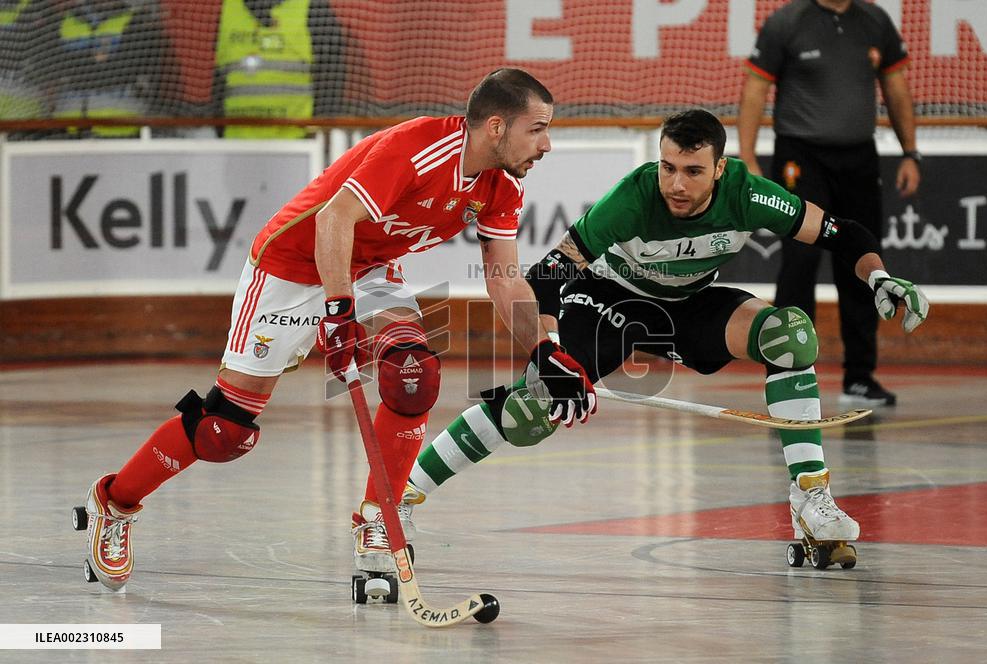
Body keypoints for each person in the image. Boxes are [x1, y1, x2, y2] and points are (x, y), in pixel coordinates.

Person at [76, 68, 596, 592]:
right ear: (496, 127)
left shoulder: (502, 184)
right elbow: (333, 221)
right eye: (539, 129)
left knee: (413, 375)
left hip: (369, 270)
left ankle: (377, 522)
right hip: (291, 267)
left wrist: (543, 349)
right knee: (224, 432)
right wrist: (338, 310)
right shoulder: (418, 149)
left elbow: (503, 277)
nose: (547, 144)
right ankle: (115, 502)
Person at [403, 110, 929, 568]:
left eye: (693, 172)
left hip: (688, 307)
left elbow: (845, 235)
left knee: (790, 336)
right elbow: (546, 275)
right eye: (668, 167)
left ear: (721, 170)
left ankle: (811, 499)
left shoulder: (749, 196)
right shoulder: (632, 198)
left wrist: (878, 276)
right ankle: (403, 496)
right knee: (530, 412)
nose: (676, 184)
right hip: (608, 301)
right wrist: (550, 351)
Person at [737, 0, 921, 407]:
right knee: (799, 263)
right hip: (800, 158)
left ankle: (860, 376)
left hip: (859, 157)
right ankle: (788, 370)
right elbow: (754, 88)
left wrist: (911, 152)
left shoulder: (875, 21)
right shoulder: (787, 21)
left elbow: (895, 86)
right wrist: (748, 158)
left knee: (862, 257)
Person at [27, 0, 167, 138]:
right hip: (67, 128)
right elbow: (47, 68)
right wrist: (94, 63)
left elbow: (125, 71)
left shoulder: (137, 22)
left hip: (121, 131)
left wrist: (77, 64)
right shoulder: (64, 20)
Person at [213, 0, 345, 139]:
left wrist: (317, 132)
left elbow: (332, 75)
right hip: (235, 142)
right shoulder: (229, 8)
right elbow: (219, 78)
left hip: (297, 141)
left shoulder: (313, 8)